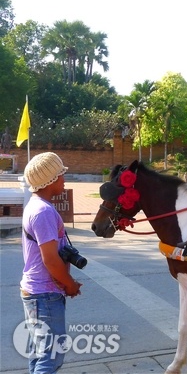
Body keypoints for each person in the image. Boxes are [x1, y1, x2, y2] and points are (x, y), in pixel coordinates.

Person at [20, 152, 82, 373]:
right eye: (61, 174)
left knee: (40, 353)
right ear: (51, 180)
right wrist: (70, 284)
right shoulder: (44, 212)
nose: (64, 179)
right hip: (45, 295)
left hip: (37, 293)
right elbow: (51, 260)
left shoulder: (36, 206)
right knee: (51, 357)